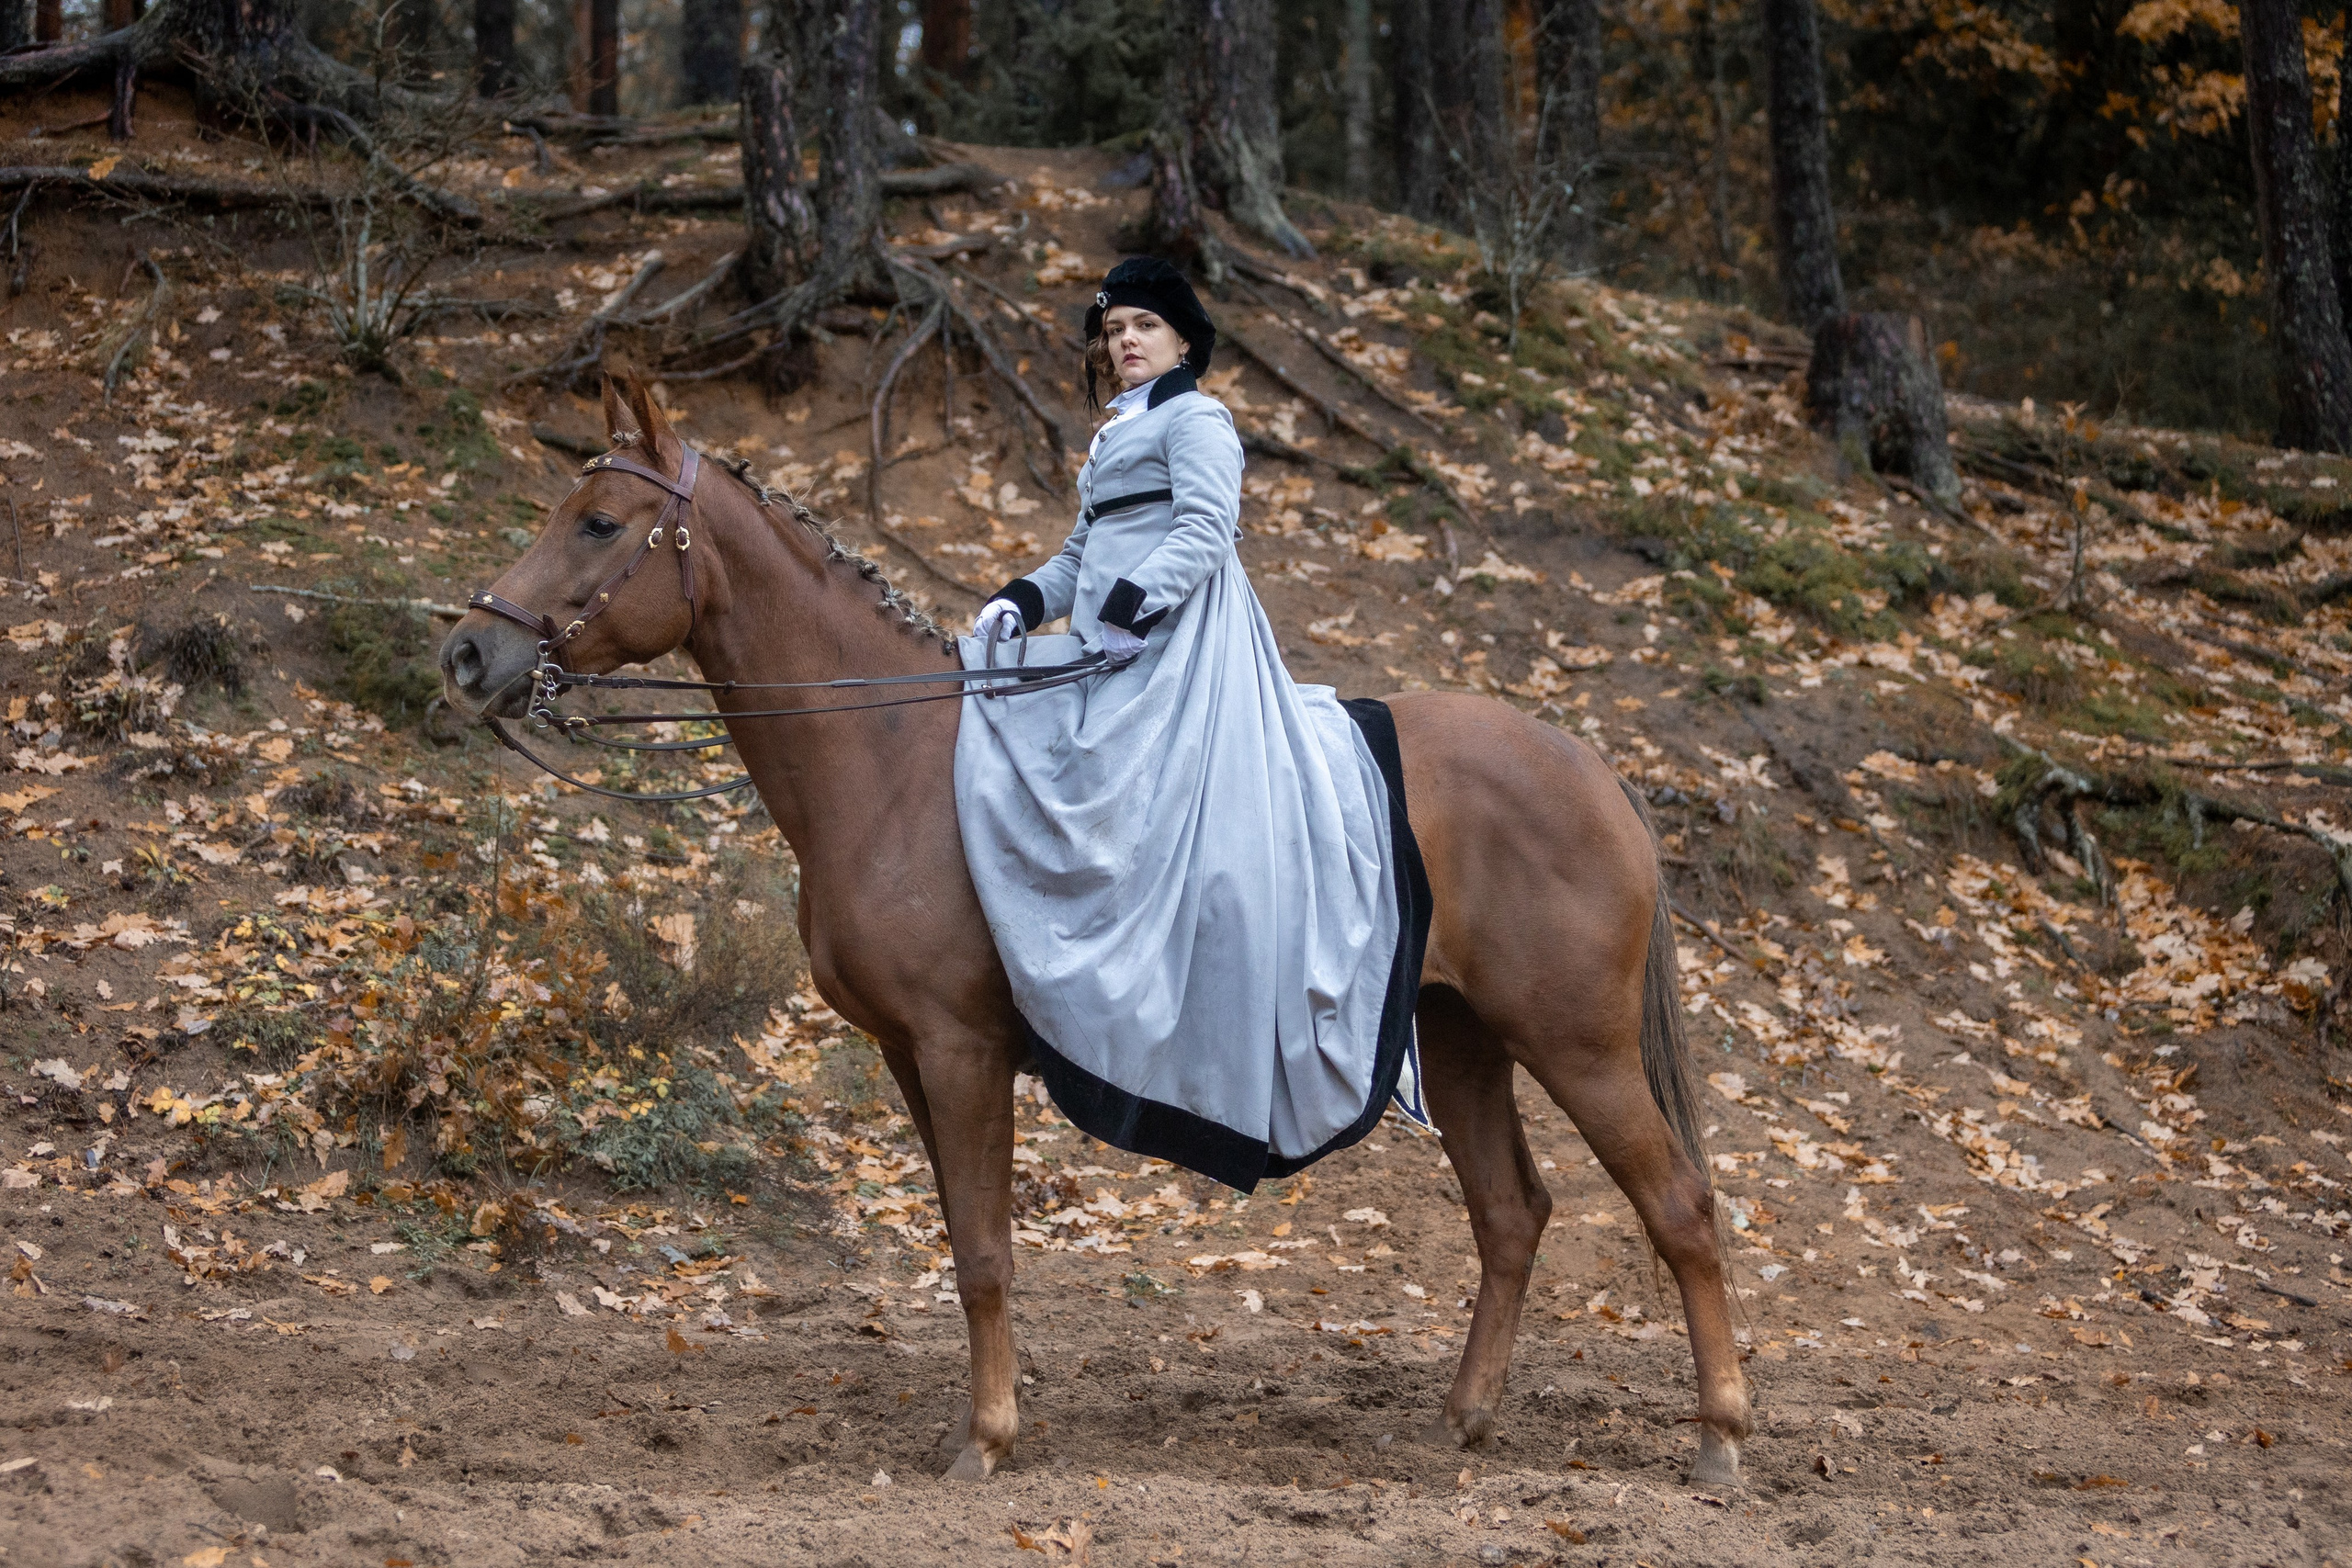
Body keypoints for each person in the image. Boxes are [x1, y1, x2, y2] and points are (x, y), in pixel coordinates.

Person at [952, 256, 1430, 1192]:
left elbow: (1206, 531)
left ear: (1181, 340)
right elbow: (1079, 553)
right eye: (1113, 328)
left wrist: (1135, 604)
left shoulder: (1196, 419)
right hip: (1112, 637)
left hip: (1183, 641)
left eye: (1143, 325)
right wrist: (1020, 598)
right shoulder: (1114, 437)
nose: (1124, 340)